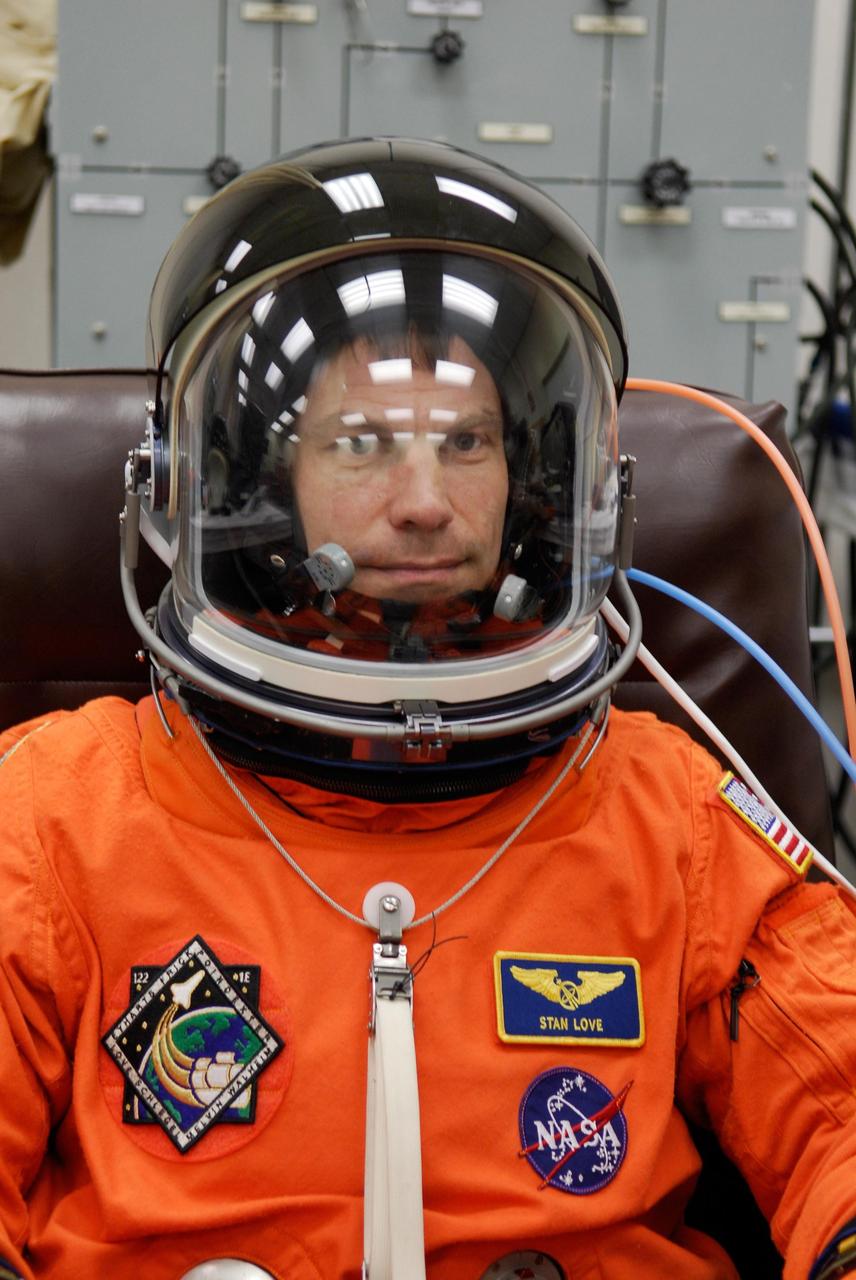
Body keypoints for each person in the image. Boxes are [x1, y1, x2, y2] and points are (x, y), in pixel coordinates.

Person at [0, 137, 854, 1280]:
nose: (422, 503)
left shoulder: (674, 817)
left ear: (534, 483)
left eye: (466, 443)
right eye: (362, 445)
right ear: (248, 481)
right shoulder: (56, 817)